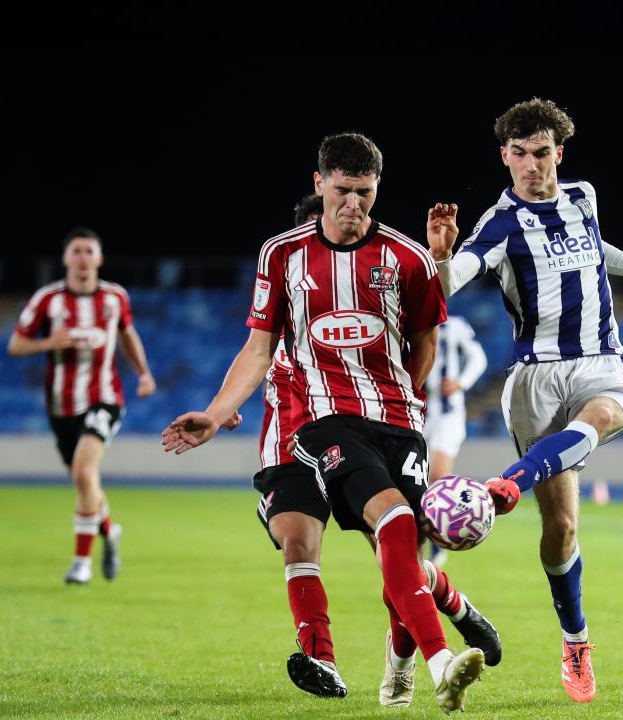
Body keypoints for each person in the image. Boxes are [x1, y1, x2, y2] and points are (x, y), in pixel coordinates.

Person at [162, 133, 486, 713]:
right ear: (319, 183)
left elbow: (425, 342)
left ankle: (405, 663)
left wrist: (403, 398)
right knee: (354, 526)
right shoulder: (282, 255)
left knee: (400, 553)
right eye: (341, 191)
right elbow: (258, 350)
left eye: (364, 193)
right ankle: (426, 661)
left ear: (377, 188)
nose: (352, 204)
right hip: (319, 421)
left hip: (395, 420)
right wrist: (215, 414)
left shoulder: (407, 258)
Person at [428, 98, 623, 703]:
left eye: (543, 152)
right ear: (505, 157)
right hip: (535, 378)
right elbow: (453, 282)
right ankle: (574, 634)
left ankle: (510, 482)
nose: (533, 164)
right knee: (560, 528)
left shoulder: (582, 197)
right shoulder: (500, 224)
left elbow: (595, 248)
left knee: (609, 411)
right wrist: (444, 252)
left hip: (600, 361)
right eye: (521, 154)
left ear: (561, 152)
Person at [8, 227, 157, 584]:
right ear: (66, 258)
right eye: (76, 250)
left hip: (105, 399)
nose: (83, 257)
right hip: (61, 406)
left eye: (89, 251)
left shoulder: (114, 297)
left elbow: (126, 334)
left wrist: (144, 374)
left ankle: (81, 563)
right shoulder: (48, 299)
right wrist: (49, 343)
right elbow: (16, 345)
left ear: (99, 258)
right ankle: (109, 530)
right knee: (86, 483)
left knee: (82, 474)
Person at [423, 314, 487, 566]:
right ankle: (421, 541)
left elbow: (478, 357)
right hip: (417, 413)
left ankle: (438, 544)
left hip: (448, 414)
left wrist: (461, 382)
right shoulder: (408, 321)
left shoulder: (454, 326)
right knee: (414, 483)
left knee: (437, 478)